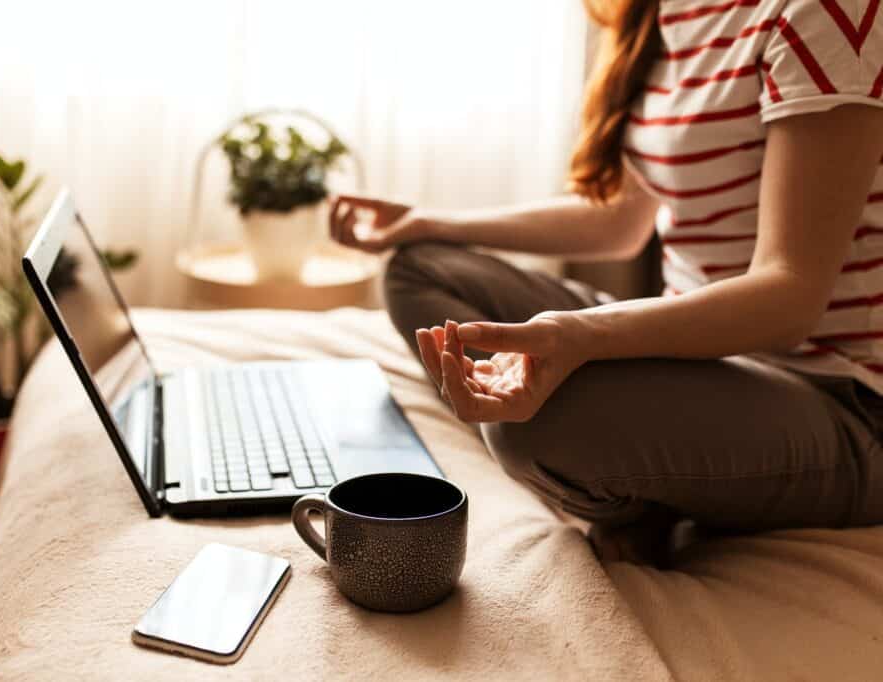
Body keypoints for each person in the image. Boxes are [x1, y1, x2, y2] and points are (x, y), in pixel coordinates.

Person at [328, 0, 883, 564]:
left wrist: (585, 334)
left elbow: (788, 298)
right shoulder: (673, 11)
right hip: (704, 355)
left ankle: (643, 491)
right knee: (417, 265)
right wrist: (429, 221)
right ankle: (648, 472)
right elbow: (619, 222)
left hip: (842, 399)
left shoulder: (822, 12)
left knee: (530, 426)